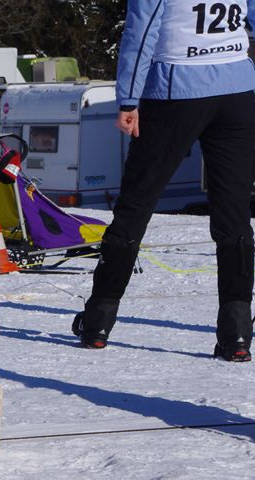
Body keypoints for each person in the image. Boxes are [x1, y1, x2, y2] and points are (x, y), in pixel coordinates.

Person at [72, 0, 255, 362]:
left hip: (176, 90)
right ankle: (236, 333)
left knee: (135, 206)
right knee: (234, 214)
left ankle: (98, 322)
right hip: (237, 90)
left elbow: (140, 33)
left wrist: (127, 100)